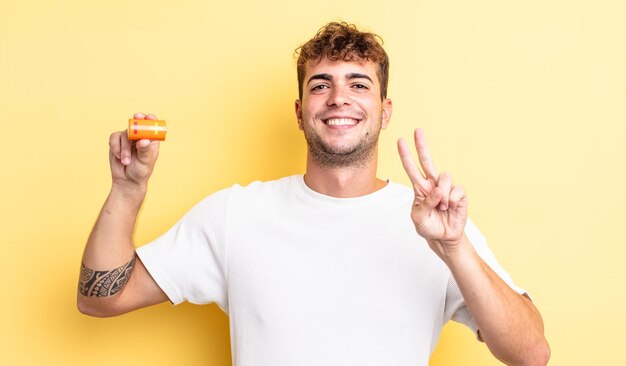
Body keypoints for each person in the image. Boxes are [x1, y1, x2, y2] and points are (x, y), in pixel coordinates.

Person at [77, 21, 550, 366]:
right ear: (300, 112)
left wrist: (452, 248)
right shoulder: (235, 214)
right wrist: (128, 190)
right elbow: (101, 298)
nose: (338, 98)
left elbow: (531, 354)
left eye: (357, 84)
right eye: (321, 85)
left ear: (384, 112)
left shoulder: (437, 227)